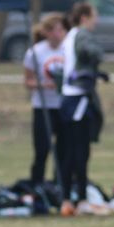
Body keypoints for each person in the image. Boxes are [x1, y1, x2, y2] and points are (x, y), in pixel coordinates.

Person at [57, 2, 110, 217]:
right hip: (78, 99)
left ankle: (66, 199)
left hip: (67, 99)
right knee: (80, 151)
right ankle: (80, 200)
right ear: (84, 17)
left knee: (68, 151)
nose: (97, 21)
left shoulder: (69, 36)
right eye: (94, 16)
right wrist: (96, 60)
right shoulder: (82, 35)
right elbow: (91, 52)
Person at [22, 13, 67, 187]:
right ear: (47, 32)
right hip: (43, 107)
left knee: (64, 150)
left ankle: (61, 185)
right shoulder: (35, 52)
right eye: (56, 30)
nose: (59, 34)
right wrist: (44, 85)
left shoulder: (68, 49)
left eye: (62, 30)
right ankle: (37, 186)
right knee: (42, 150)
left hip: (63, 106)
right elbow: (28, 81)